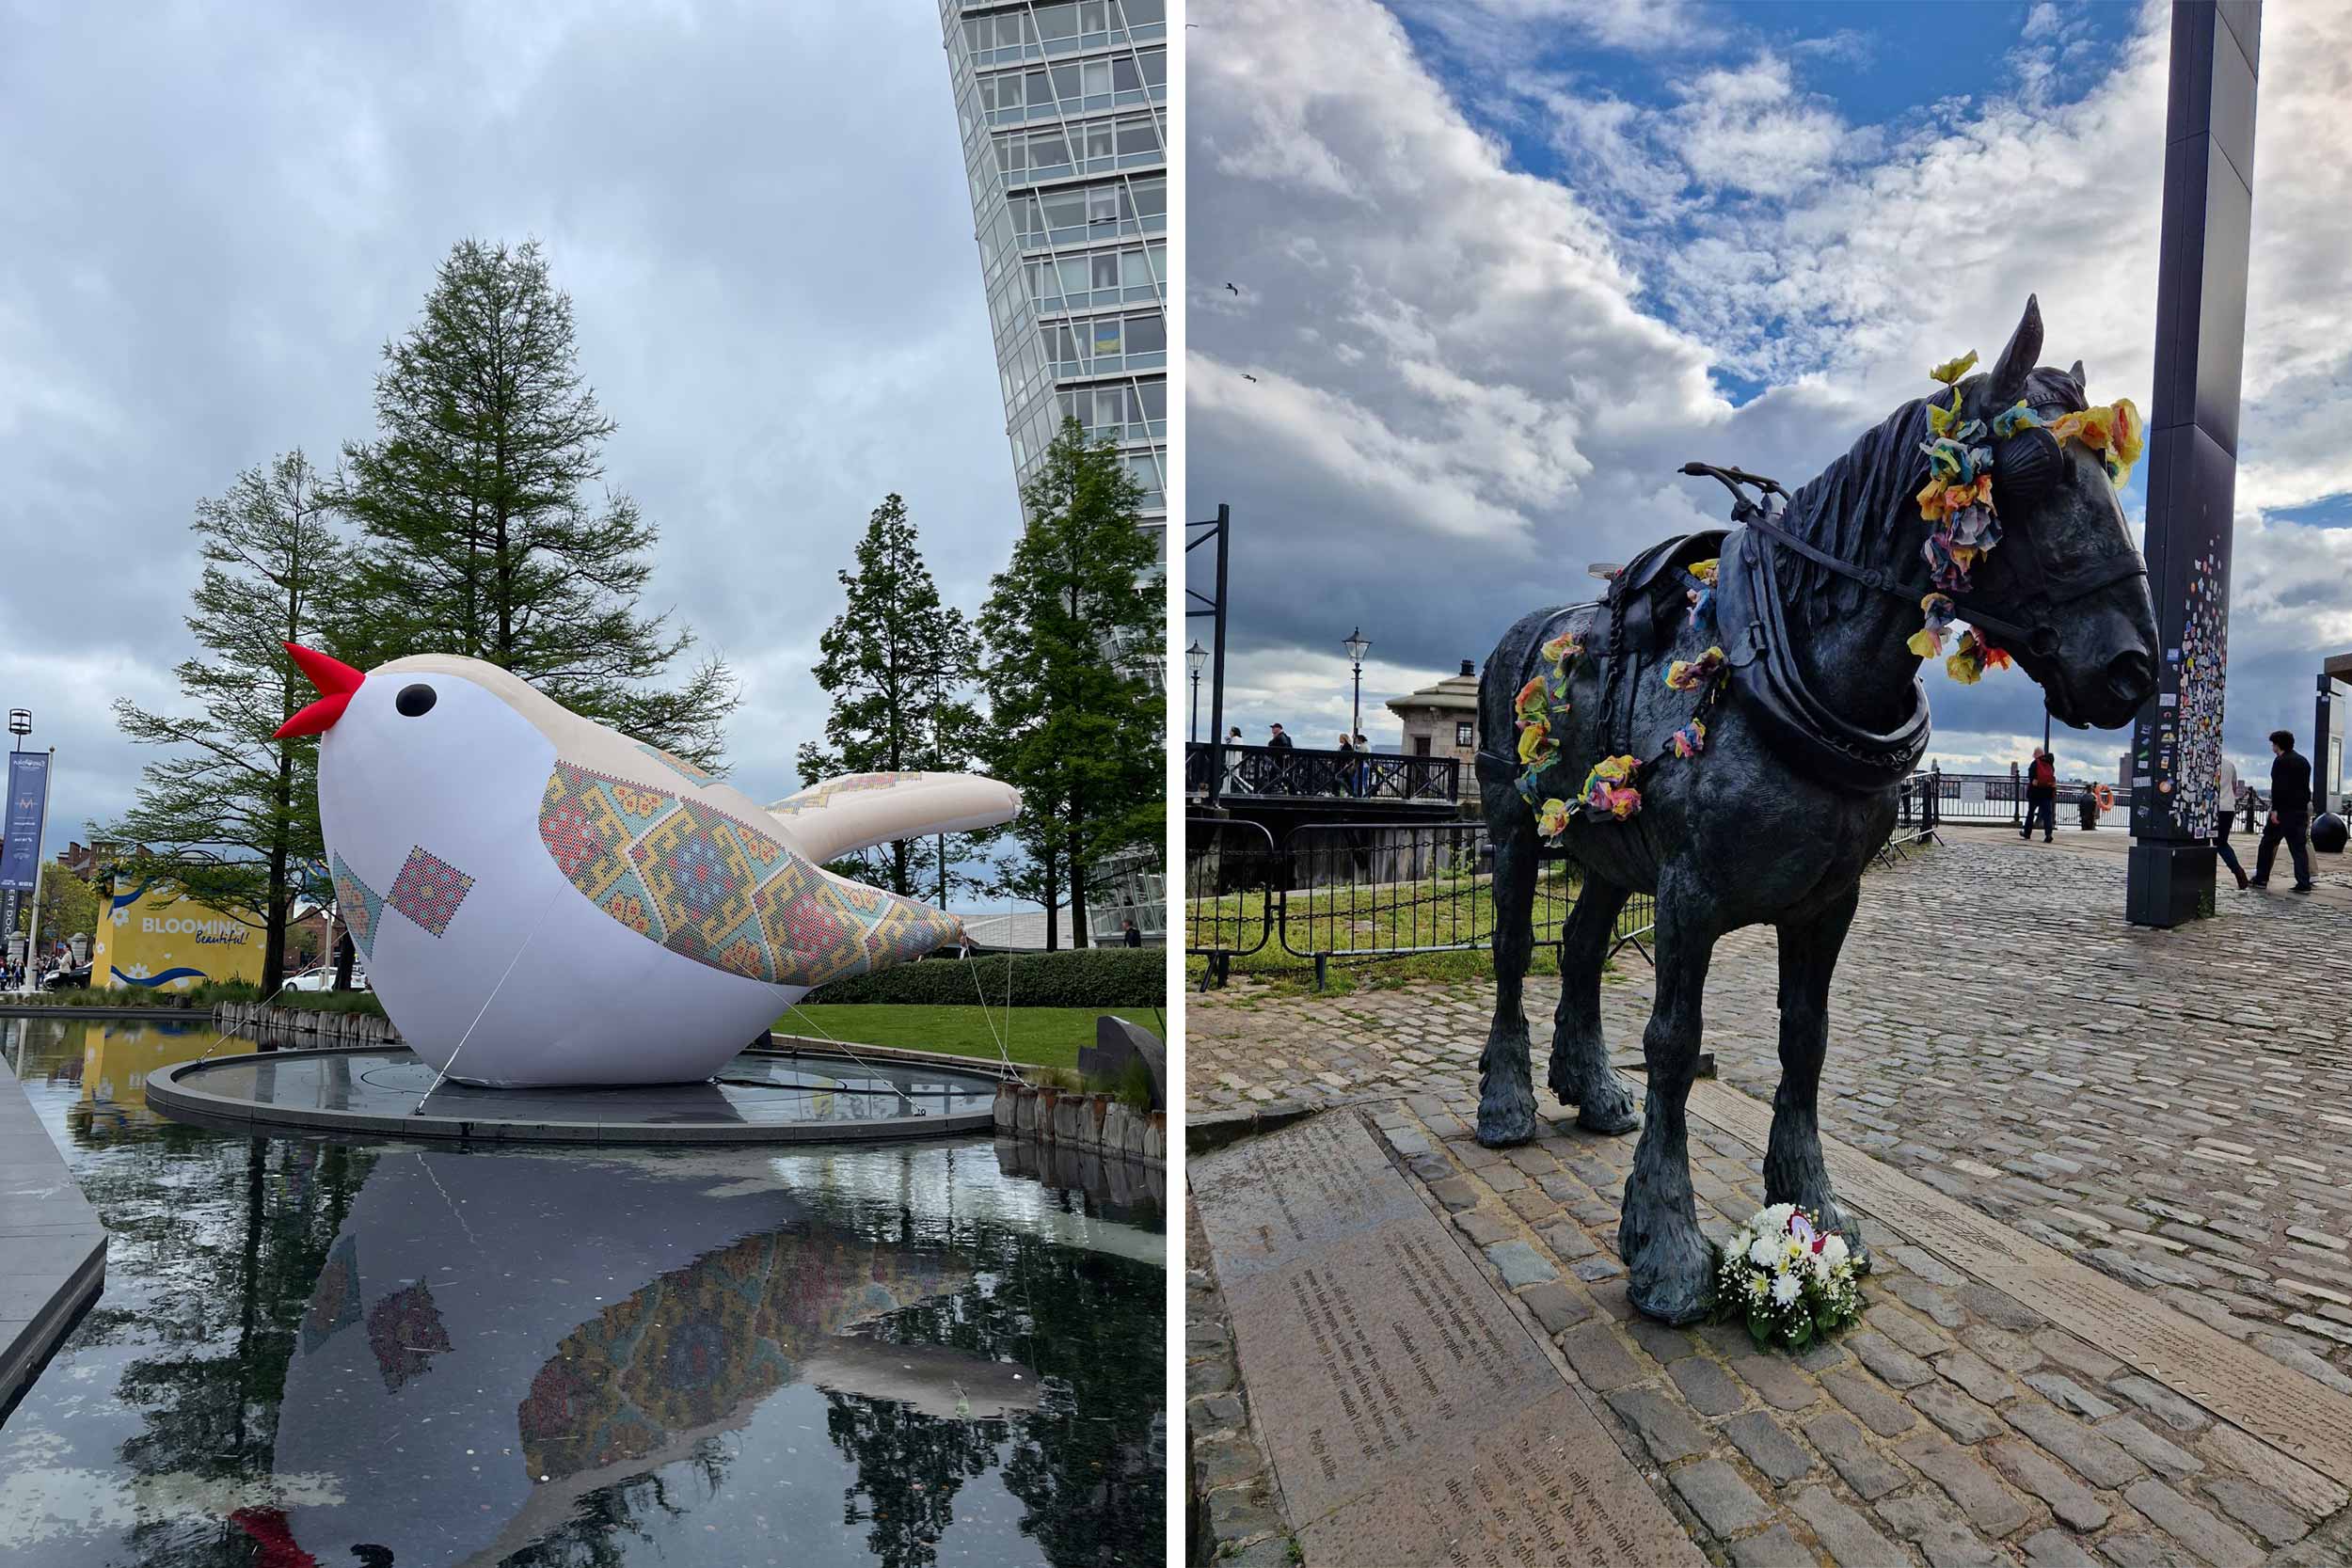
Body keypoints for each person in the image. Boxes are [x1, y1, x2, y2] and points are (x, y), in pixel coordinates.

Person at [2251, 728, 2314, 893]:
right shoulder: (2304, 761)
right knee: (2298, 849)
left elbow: (2278, 787)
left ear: (2278, 745)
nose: (2272, 747)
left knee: (2267, 844)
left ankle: (2261, 878)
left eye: (2273, 744)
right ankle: (2303, 883)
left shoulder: (2280, 761)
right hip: (2300, 811)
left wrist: (2275, 810)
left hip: (2284, 811)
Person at [2214, 755, 2249, 891]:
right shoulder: (2229, 764)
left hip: (2210, 807)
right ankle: (2238, 871)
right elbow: (2234, 787)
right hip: (2227, 807)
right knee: (2222, 843)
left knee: (2201, 842)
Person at [2021, 748, 2058, 842]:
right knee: (2047, 815)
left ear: (2035, 754)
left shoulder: (2034, 764)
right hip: (2047, 793)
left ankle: (2027, 833)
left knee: (2031, 813)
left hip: (2035, 793)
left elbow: (2032, 779)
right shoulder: (2050, 763)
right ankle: (2048, 834)